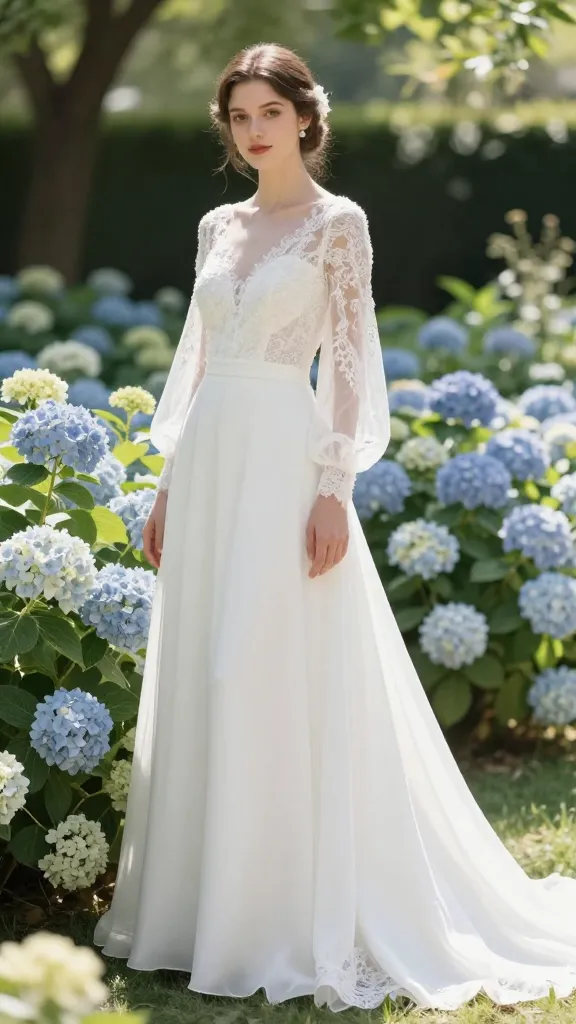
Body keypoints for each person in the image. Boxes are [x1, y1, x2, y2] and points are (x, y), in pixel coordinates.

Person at [93, 42, 576, 1013]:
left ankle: (275, 912)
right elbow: (193, 363)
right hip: (214, 459)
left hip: (282, 456)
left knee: (262, 664)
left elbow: (352, 364)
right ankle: (194, 917)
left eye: (269, 110)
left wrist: (332, 487)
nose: (254, 128)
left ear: (306, 118)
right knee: (202, 669)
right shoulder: (217, 226)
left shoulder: (335, 225)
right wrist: (169, 481)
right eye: (238, 115)